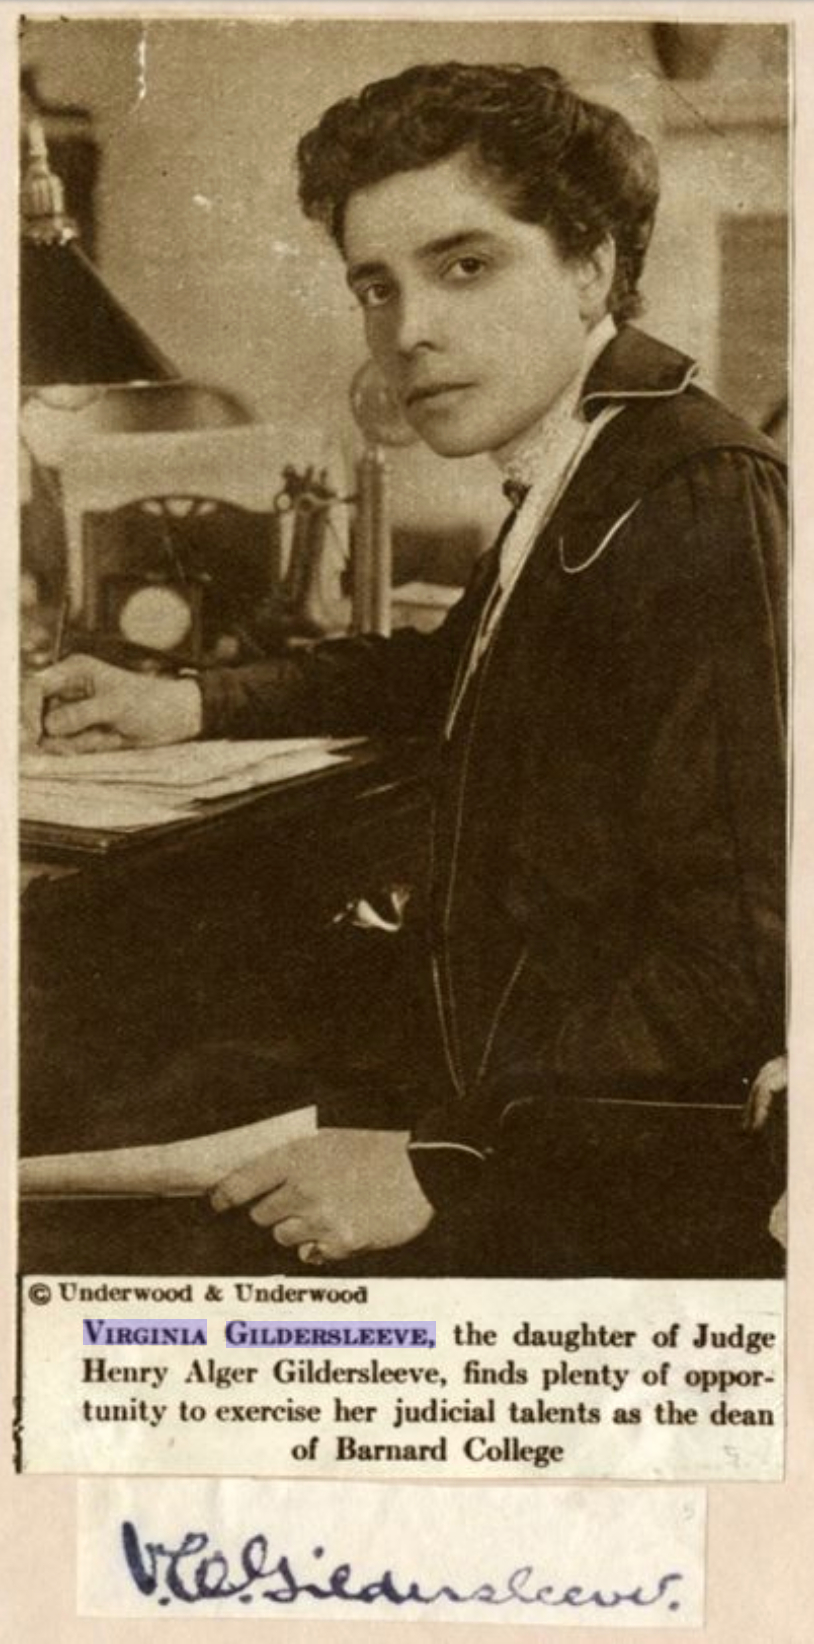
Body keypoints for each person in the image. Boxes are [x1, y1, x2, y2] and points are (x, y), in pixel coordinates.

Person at [24, 63, 787, 1277]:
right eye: (374, 286)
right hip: (503, 1074)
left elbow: (746, 957)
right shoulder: (593, 457)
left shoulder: (689, 490)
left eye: (465, 264)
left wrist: (441, 1157)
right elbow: (447, 673)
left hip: (586, 1169)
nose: (406, 330)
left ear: (589, 265)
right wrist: (187, 700)